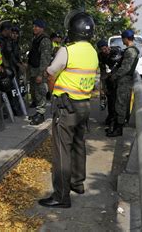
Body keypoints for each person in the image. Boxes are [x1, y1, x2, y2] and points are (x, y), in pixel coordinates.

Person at [39, 12, 98, 208]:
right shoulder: (92, 51)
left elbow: (50, 72)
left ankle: (61, 196)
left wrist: (51, 91)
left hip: (66, 107)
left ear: (72, 30)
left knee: (62, 150)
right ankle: (77, 183)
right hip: (84, 105)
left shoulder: (67, 50)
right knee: (79, 144)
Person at [107, 30, 139, 137]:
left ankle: (118, 129)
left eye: (123, 39)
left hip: (124, 81)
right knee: (119, 104)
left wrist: (114, 76)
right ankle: (116, 127)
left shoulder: (130, 51)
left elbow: (125, 68)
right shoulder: (131, 50)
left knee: (121, 105)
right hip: (123, 80)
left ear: (126, 38)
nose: (122, 41)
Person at [27, 19, 52, 125]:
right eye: (34, 26)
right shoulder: (36, 38)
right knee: (35, 92)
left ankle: (41, 114)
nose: (34, 28)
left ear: (42, 28)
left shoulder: (44, 40)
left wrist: (41, 74)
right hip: (33, 69)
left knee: (40, 92)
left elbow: (45, 59)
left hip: (39, 70)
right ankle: (38, 112)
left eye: (37, 26)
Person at [96, 40, 122, 126]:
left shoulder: (116, 51)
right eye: (102, 50)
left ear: (108, 46)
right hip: (108, 80)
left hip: (118, 79)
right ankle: (111, 117)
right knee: (110, 100)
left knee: (117, 101)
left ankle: (118, 119)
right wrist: (103, 86)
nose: (104, 51)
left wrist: (112, 75)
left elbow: (118, 66)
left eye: (105, 48)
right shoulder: (100, 56)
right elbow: (103, 70)